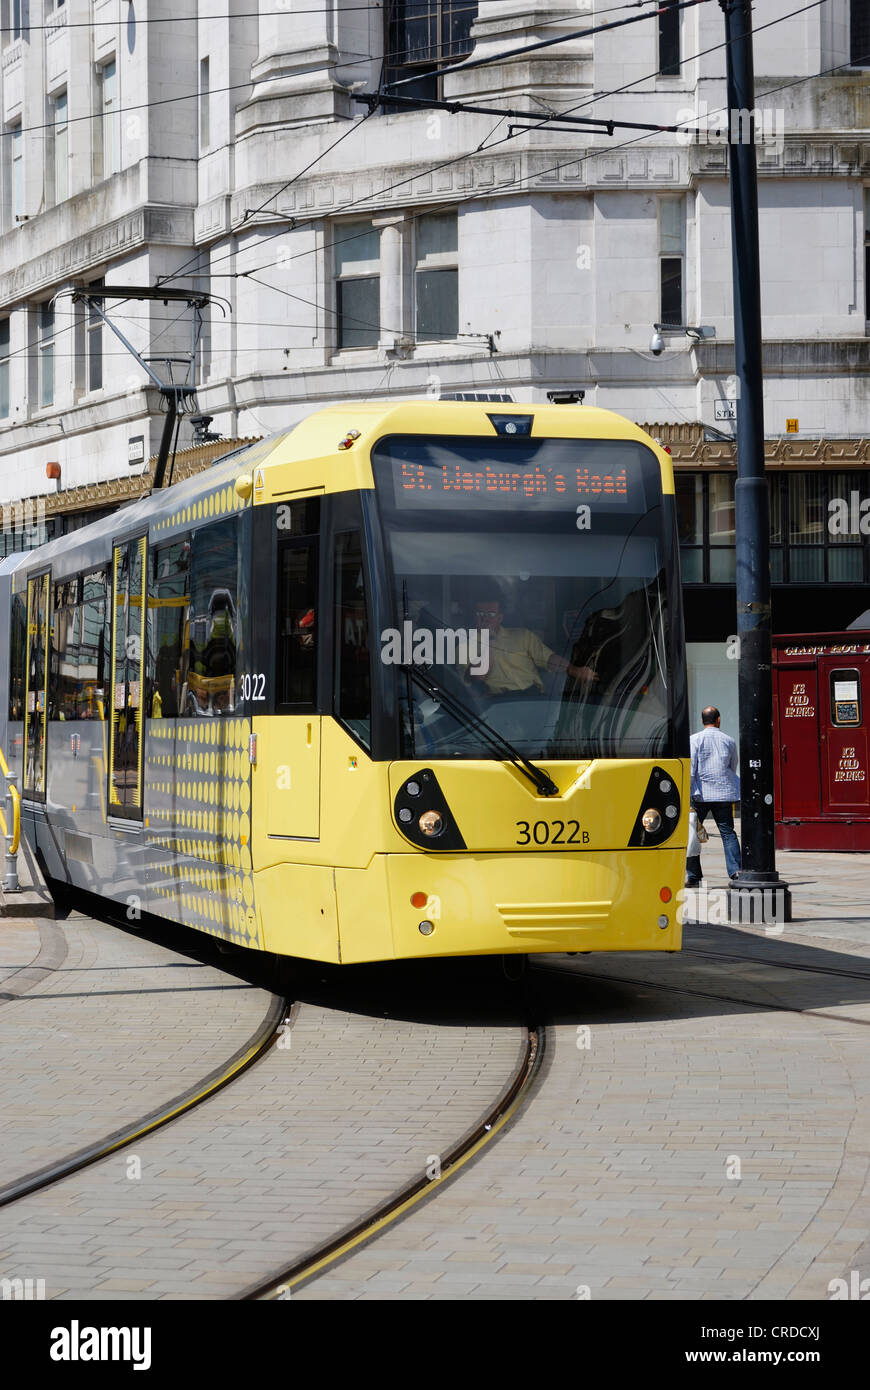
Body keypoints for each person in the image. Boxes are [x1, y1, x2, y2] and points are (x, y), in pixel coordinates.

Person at [469, 593, 598, 697]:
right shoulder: (465, 644)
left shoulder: (522, 635)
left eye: (490, 614)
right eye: (480, 614)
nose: (485, 618)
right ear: (474, 617)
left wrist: (573, 669)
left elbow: (548, 659)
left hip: (531, 696)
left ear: (500, 617)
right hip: (497, 702)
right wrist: (489, 638)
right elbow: (478, 676)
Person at [686, 705, 741, 886]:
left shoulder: (694, 740)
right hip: (723, 793)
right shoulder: (729, 740)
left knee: (692, 834)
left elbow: (692, 769)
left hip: (700, 794)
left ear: (702, 721)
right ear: (718, 720)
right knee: (728, 833)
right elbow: (733, 766)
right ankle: (735, 871)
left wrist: (689, 791)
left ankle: (693, 876)